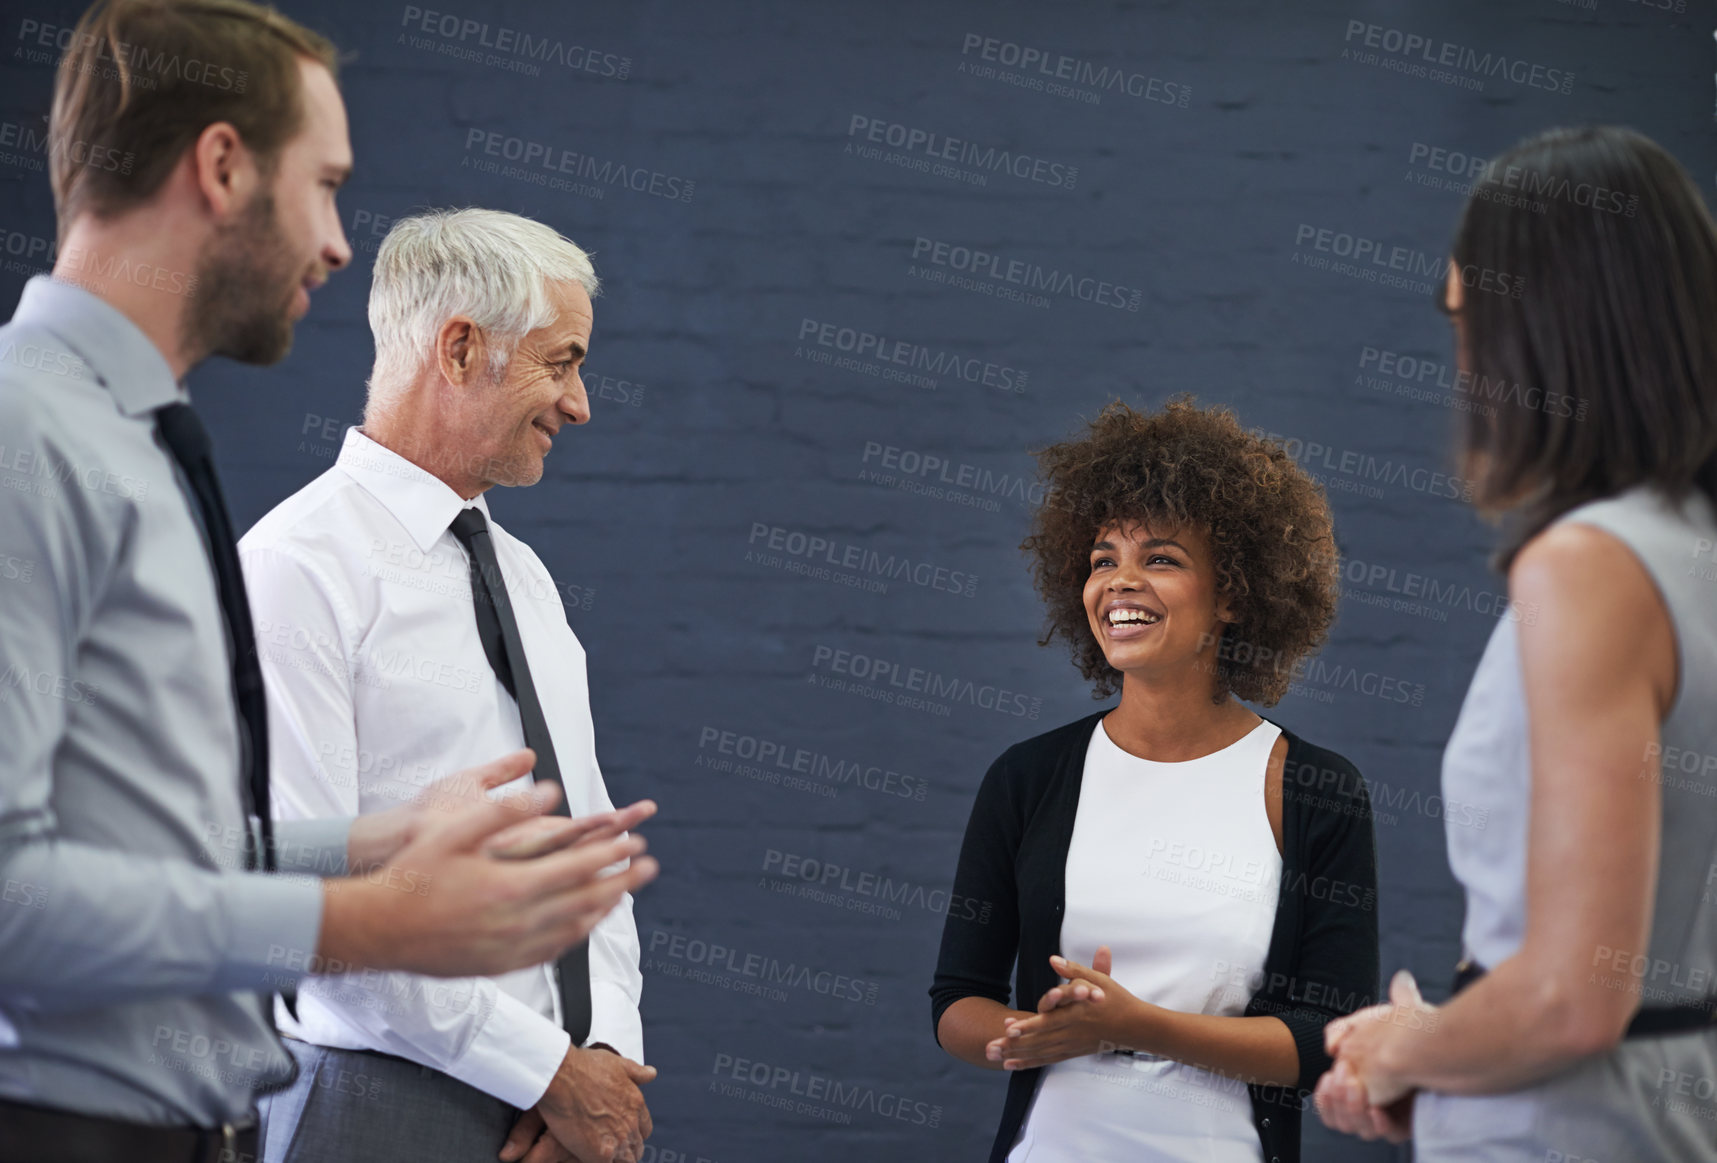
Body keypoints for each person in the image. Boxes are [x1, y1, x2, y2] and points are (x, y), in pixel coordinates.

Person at [0, 5, 655, 1161]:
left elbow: (166, 856)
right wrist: (368, 912)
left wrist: (372, 842)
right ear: (221, 166)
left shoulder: (130, 444)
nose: (342, 244)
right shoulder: (33, 439)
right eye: (325, 184)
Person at [1314, 125, 1717, 1161]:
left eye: (1469, 319)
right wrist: (1443, 1058)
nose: (1463, 365)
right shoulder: (1687, 546)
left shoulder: (1584, 563)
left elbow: (1568, 999)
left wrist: (1403, 1048)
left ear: (1543, 328)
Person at [242, 209, 652, 1163]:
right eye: (562, 362)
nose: (580, 403)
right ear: (460, 348)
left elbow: (591, 850)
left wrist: (601, 1060)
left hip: (554, 1121)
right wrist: (549, 1072)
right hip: (375, 1110)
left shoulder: (529, 581)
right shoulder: (294, 569)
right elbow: (305, 908)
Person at [929, 398, 1379, 1163]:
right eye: (1103, 558)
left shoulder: (1311, 788)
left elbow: (1326, 1039)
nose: (1119, 583)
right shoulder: (1028, 777)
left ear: (1234, 592)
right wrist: (1032, 1032)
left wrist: (1134, 1025)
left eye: (1160, 559)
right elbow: (955, 1000)